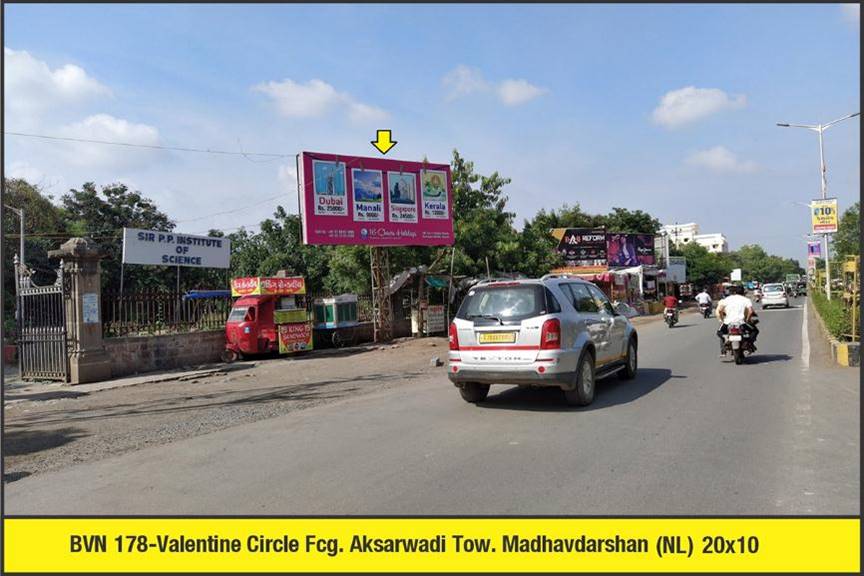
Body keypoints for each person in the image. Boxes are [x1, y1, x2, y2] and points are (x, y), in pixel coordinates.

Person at [716, 284, 758, 354]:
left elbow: (720, 310)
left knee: (719, 332)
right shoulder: (746, 300)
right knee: (754, 331)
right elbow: (750, 311)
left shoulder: (727, 299)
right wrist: (747, 320)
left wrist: (723, 319)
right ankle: (748, 343)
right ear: (743, 292)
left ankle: (726, 339)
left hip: (728, 322)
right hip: (741, 322)